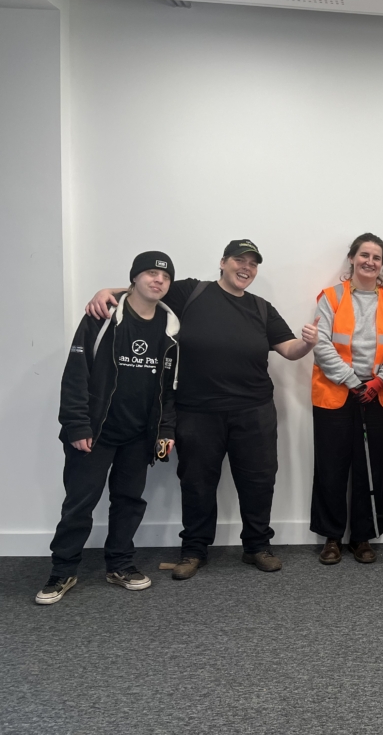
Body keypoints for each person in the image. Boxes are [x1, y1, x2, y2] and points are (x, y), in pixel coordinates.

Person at [84, 240, 318, 579]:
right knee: (196, 483)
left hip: (253, 411)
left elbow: (289, 349)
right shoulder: (191, 293)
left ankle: (256, 547)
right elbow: (147, 291)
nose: (246, 268)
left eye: (253, 263)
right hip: (196, 411)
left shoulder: (262, 308)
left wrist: (307, 343)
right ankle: (194, 550)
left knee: (258, 481)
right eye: (240, 259)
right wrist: (108, 290)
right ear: (223, 262)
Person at [37, 252, 179, 605]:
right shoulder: (101, 318)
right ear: (134, 278)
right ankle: (62, 570)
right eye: (149, 273)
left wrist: (165, 430)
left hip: (139, 435)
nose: (158, 280)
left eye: (164, 276)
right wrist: (76, 425)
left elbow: (168, 389)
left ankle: (120, 564)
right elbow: (75, 376)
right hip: (95, 432)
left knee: (129, 502)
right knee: (79, 504)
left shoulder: (171, 329)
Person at [310, 234, 383, 566]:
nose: (369, 261)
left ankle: (363, 536)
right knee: (331, 467)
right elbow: (321, 345)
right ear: (352, 258)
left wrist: (379, 380)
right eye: (364, 255)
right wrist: (352, 381)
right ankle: (332, 537)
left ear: (382, 264)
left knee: (371, 467)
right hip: (335, 393)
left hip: (376, 395)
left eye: (376, 257)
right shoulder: (331, 297)